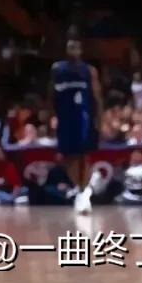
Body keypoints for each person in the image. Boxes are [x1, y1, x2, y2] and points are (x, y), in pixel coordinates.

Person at [50, 32, 103, 212]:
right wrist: (50, 116)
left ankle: (83, 192)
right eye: (71, 46)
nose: (73, 50)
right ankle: (81, 190)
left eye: (76, 47)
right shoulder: (57, 69)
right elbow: (51, 96)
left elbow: (97, 97)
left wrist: (99, 120)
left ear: (81, 50)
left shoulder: (89, 70)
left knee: (83, 156)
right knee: (68, 157)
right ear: (66, 49)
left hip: (83, 117)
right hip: (64, 118)